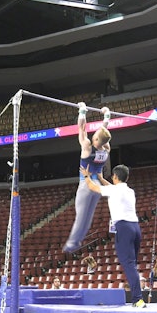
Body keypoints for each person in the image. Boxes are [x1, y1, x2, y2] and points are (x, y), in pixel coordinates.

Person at [81, 164, 145, 308]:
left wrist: (86, 175)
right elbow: (112, 189)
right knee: (132, 264)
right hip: (135, 226)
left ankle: (138, 299)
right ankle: (138, 298)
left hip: (124, 227)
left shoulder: (114, 190)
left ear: (115, 177)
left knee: (128, 264)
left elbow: (92, 187)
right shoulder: (129, 191)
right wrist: (101, 178)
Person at [63, 103, 112, 253]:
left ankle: (72, 244)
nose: (94, 134)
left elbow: (81, 128)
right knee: (87, 216)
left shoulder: (87, 147)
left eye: (95, 134)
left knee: (80, 216)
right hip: (97, 186)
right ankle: (77, 240)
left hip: (86, 184)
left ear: (96, 139)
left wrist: (82, 111)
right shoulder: (106, 150)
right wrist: (106, 116)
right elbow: (104, 135)